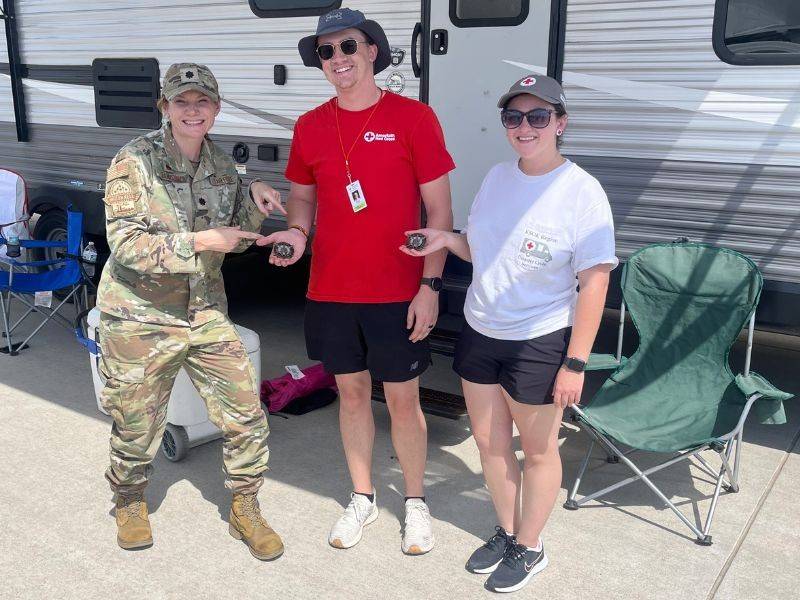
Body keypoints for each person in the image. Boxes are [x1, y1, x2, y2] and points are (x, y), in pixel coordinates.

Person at [401, 74, 617, 592]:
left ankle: (531, 545)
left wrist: (576, 363)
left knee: (539, 452)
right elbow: (480, 248)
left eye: (538, 117)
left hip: (539, 340)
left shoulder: (582, 193)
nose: (525, 127)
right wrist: (444, 239)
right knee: (488, 442)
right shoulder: (498, 177)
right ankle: (506, 530)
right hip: (481, 328)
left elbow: (595, 283)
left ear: (559, 124)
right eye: (514, 118)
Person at [251, 8, 454, 554]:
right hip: (331, 291)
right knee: (352, 394)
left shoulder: (414, 118)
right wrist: (295, 233)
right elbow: (301, 195)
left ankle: (415, 504)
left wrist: (429, 287)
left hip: (398, 292)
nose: (337, 58)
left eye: (347, 47)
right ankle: (362, 496)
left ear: (372, 52)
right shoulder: (311, 124)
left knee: (405, 402)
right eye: (326, 51)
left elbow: (439, 211)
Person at [96, 63, 286, 560]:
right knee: (136, 424)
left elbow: (236, 234)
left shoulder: (223, 167)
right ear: (165, 108)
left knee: (246, 413)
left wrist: (257, 201)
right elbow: (126, 244)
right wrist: (200, 240)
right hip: (139, 312)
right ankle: (130, 500)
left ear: (216, 109)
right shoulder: (134, 162)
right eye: (182, 101)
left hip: (203, 310)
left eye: (203, 101)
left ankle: (245, 506)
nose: (193, 110)